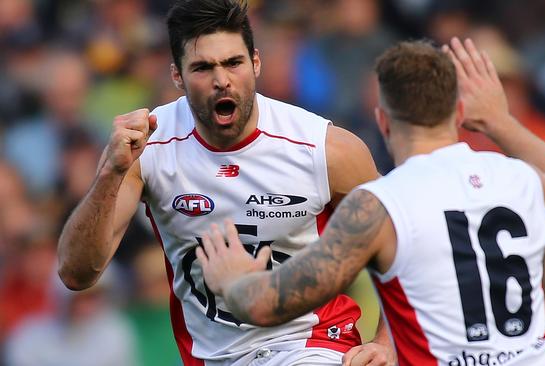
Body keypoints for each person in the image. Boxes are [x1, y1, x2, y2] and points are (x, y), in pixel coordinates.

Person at [196, 38, 545, 366]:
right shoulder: (517, 178)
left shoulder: (378, 207)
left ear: (383, 120)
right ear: (459, 113)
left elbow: (268, 305)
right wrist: (499, 120)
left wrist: (233, 281)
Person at [56, 0, 394, 365]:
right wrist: (110, 173)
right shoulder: (148, 147)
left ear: (256, 63)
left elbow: (404, 243)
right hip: (215, 357)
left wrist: (387, 342)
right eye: (202, 67)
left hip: (312, 346)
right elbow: (76, 273)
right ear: (177, 76)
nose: (221, 80)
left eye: (233, 63)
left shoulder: (323, 148)